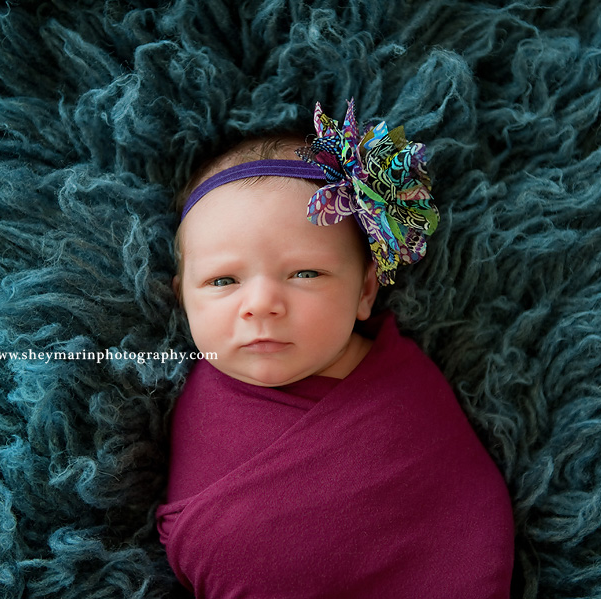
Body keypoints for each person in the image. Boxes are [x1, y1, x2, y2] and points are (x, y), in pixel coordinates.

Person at [156, 101, 514, 598]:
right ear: (183, 299)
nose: (261, 304)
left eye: (305, 273)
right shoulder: (170, 396)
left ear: (366, 291)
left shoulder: (403, 395)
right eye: (222, 281)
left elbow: (460, 510)